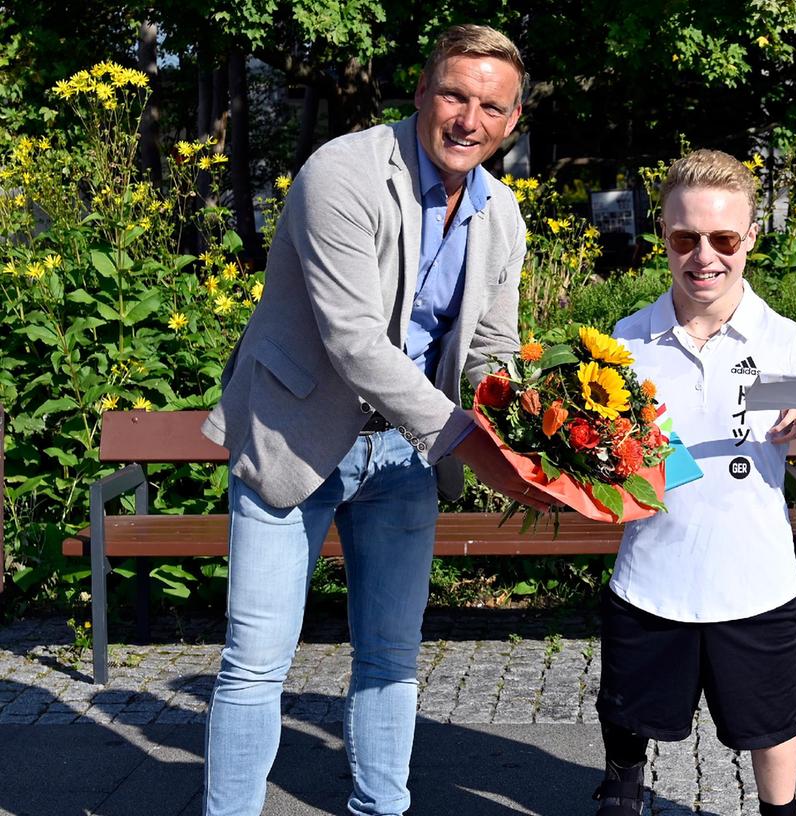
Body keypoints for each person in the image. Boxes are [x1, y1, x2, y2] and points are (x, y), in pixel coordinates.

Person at [200, 25, 548, 816]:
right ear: (423, 94)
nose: (468, 119)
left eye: (490, 107)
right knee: (256, 661)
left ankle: (380, 809)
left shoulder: (502, 214)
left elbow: (492, 348)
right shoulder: (344, 172)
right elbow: (353, 339)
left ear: (512, 121)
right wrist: (467, 442)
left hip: (403, 455)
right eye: (455, 95)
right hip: (294, 434)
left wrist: (529, 435)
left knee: (391, 654)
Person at [594, 149, 796, 816]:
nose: (704, 256)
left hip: (755, 578)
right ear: (661, 236)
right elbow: (609, 459)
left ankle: (780, 812)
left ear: (750, 237)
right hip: (651, 572)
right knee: (628, 704)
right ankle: (621, 786)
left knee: (772, 721)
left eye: (723, 238)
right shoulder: (626, 341)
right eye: (683, 238)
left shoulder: (783, 339)